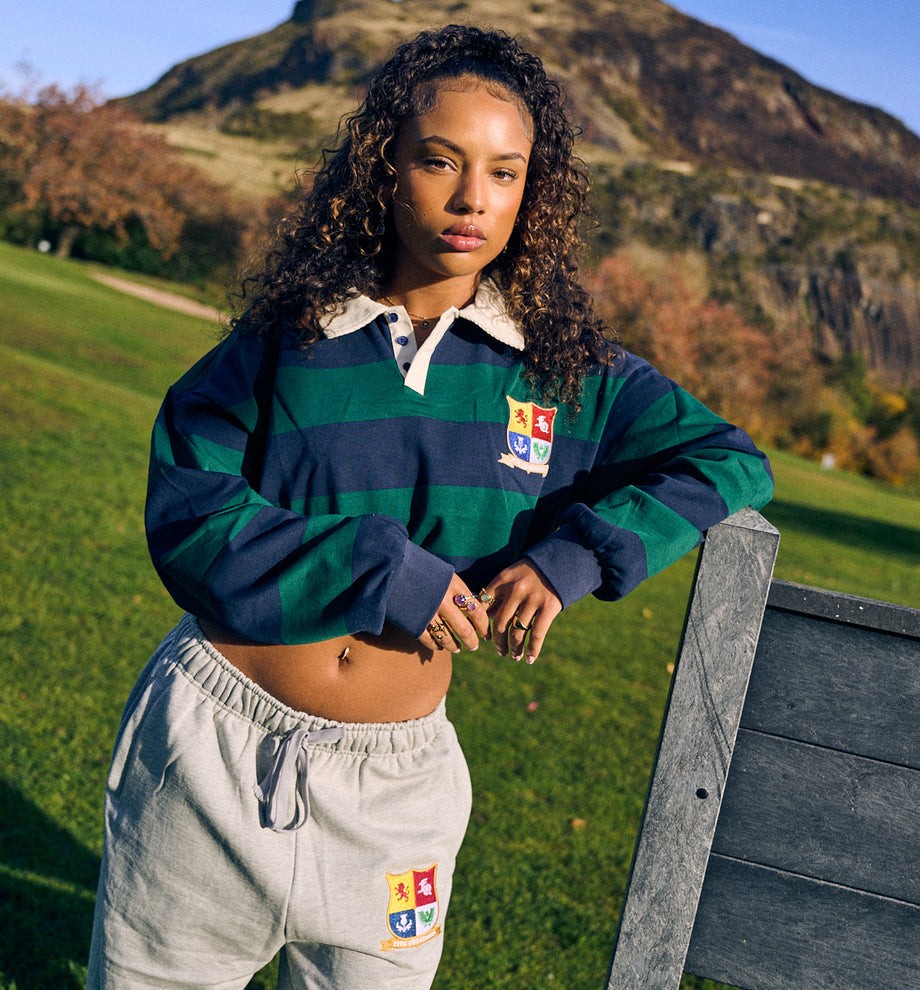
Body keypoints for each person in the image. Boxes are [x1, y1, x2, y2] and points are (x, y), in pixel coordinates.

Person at [87, 23, 773, 990]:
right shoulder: (294, 337)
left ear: (533, 191)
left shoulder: (567, 370)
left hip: (395, 793)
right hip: (210, 752)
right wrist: (382, 567)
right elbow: (190, 512)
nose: (471, 200)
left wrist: (570, 558)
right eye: (439, 161)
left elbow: (729, 462)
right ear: (385, 166)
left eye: (505, 171)